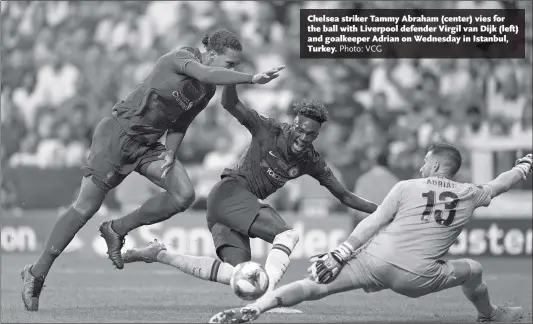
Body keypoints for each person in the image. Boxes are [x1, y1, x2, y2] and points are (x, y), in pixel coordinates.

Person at [21, 29, 285, 312]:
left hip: (148, 145)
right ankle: (37, 273)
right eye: (230, 64)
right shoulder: (180, 58)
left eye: (236, 66)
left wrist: (171, 151)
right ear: (211, 54)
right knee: (85, 208)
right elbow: (208, 74)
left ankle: (116, 228)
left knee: (184, 194)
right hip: (118, 136)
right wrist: (251, 79)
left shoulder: (206, 91)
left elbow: (181, 122)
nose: (233, 69)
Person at [121, 85, 379, 311]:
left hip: (230, 209)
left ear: (316, 135)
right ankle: (270, 296)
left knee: (239, 276)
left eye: (310, 134)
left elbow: (344, 195)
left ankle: (159, 254)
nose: (303, 137)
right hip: (230, 193)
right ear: (294, 122)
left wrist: (382, 211)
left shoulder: (311, 161)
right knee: (288, 235)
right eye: (300, 129)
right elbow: (229, 103)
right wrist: (232, 78)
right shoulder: (269, 129)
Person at [208, 145, 531, 323]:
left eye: (424, 163)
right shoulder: (470, 193)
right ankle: (489, 316)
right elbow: (500, 184)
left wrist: (339, 253)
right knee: (473, 269)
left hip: (374, 260)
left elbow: (374, 222)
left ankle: (256, 308)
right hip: (416, 276)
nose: (420, 168)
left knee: (311, 287)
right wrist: (524, 166)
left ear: (435, 167)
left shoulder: (406, 186)